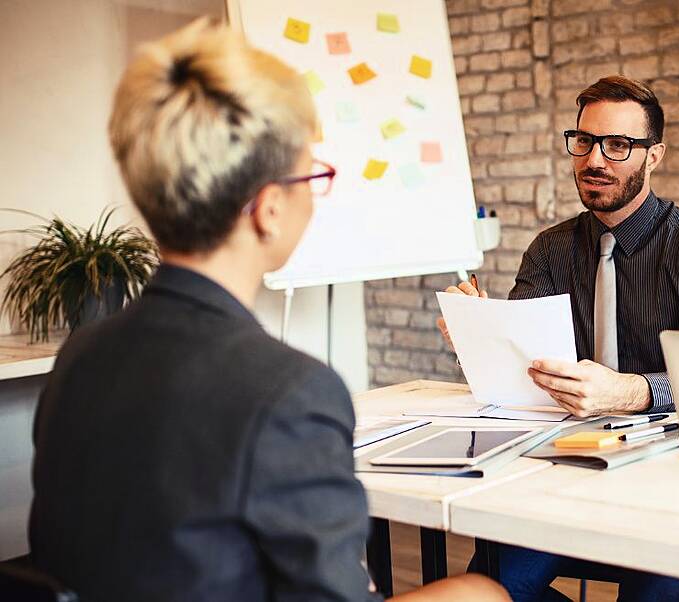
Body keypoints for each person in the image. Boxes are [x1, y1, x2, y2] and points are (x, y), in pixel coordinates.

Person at [28, 18, 507, 602]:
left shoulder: (81, 355)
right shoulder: (290, 392)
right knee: (481, 593)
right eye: (312, 174)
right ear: (269, 208)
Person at [439, 76, 679, 601]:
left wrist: (630, 392)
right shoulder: (550, 249)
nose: (595, 159)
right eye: (583, 141)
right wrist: (480, 334)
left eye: (618, 145)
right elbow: (523, 374)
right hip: (562, 469)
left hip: (671, 483)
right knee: (483, 592)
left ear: (655, 156)